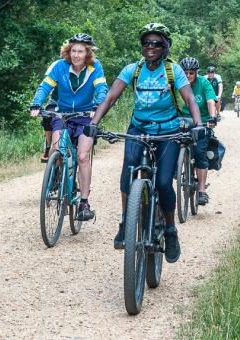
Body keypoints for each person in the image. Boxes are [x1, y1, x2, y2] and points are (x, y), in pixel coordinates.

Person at [84, 23, 204, 263]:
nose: (150, 47)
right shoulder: (133, 69)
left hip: (167, 131)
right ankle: (125, 221)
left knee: (162, 182)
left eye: (156, 43)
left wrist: (198, 125)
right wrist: (94, 123)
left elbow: (189, 98)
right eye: (146, 43)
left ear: (165, 47)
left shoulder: (174, 70)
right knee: (128, 170)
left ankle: (170, 230)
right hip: (138, 128)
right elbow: (110, 97)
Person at [30, 33, 108, 221]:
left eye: (80, 51)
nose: (76, 55)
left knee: (82, 156)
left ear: (87, 53)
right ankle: (59, 180)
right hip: (62, 114)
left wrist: (97, 106)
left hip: (84, 117)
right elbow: (45, 87)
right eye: (73, 50)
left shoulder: (95, 68)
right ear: (68, 51)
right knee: (56, 150)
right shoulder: (60, 67)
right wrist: (36, 104)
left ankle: (84, 202)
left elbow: (102, 89)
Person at [178, 57, 217, 206]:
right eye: (185, 73)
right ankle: (178, 169)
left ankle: (201, 190)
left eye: (191, 73)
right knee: (173, 146)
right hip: (182, 121)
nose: (188, 76)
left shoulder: (204, 83)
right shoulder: (177, 83)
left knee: (200, 152)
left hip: (202, 121)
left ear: (196, 73)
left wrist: (212, 116)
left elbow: (210, 101)